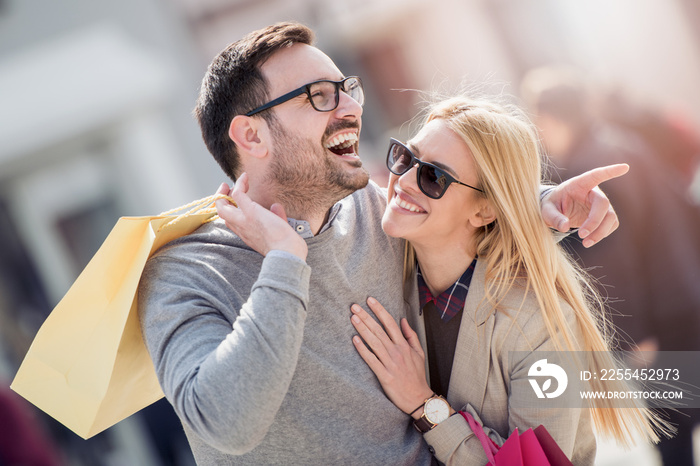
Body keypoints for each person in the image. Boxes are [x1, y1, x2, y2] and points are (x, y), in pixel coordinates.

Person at [138, 22, 625, 464]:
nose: (352, 108)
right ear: (251, 135)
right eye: (320, 96)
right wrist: (285, 262)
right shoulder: (186, 271)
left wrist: (539, 201)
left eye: (348, 89)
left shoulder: (375, 212)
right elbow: (225, 425)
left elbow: (457, 199)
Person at [346, 96, 667, 465]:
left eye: (433, 176)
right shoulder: (383, 254)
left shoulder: (540, 325)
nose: (402, 182)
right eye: (405, 157)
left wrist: (424, 404)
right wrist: (541, 200)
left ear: (484, 210)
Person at [521, 65, 700, 466]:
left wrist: (634, 333)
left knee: (671, 432)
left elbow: (609, 255)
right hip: (680, 299)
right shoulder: (619, 145)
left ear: (549, 117)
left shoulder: (590, 167)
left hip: (658, 319)